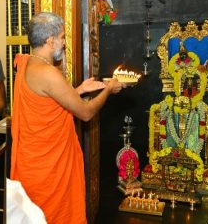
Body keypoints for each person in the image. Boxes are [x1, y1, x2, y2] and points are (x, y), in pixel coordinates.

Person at [10, 12, 125, 223]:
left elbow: (49, 98)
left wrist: (79, 89)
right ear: (50, 40)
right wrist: (108, 89)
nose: (64, 43)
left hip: (33, 165)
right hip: (48, 173)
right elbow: (86, 113)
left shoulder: (27, 64)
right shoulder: (47, 72)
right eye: (62, 37)